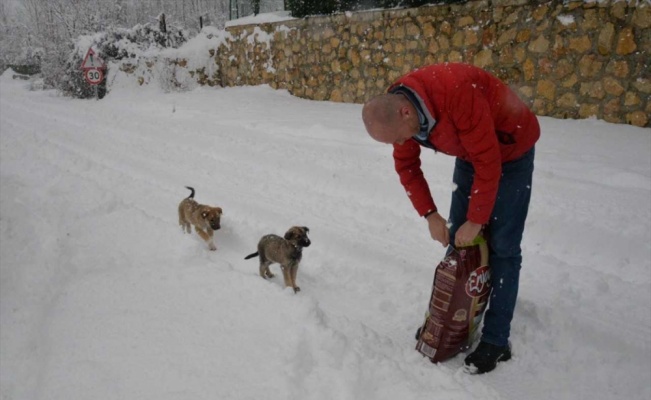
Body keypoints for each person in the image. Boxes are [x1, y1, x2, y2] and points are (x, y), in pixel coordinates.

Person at [362, 63, 540, 374]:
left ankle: (497, 340)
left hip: (511, 147)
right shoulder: (399, 112)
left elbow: (489, 161)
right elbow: (407, 168)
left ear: (405, 112)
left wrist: (477, 218)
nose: (401, 145)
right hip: (472, 151)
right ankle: (449, 323)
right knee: (460, 240)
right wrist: (430, 214)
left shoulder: (455, 92)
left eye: (401, 138)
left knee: (503, 246)